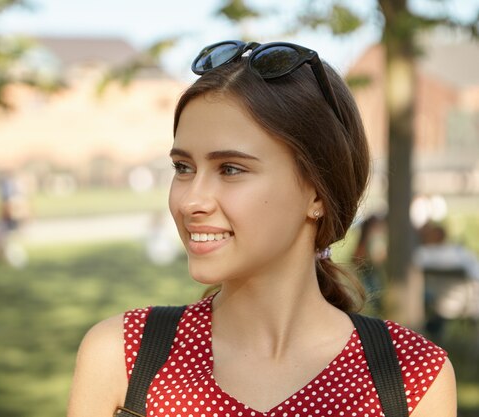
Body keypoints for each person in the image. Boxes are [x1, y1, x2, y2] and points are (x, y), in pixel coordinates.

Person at [68, 41, 456, 417]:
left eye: (231, 169)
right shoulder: (124, 356)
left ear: (317, 193)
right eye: (183, 168)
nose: (190, 201)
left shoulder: (409, 376)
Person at [351, 214, 387, 315]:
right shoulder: (370, 239)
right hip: (368, 271)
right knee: (374, 297)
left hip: (370, 271)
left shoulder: (370, 238)